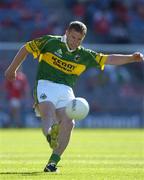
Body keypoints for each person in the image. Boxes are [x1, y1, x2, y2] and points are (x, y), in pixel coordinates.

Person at [5, 21, 144, 172]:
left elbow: (108, 59)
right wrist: (12, 70)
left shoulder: (83, 54)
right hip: (46, 84)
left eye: (79, 39)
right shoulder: (50, 42)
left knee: (69, 123)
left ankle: (52, 163)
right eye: (72, 37)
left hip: (66, 89)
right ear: (66, 32)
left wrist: (131, 58)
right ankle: (51, 135)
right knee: (48, 114)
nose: (75, 42)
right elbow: (26, 48)